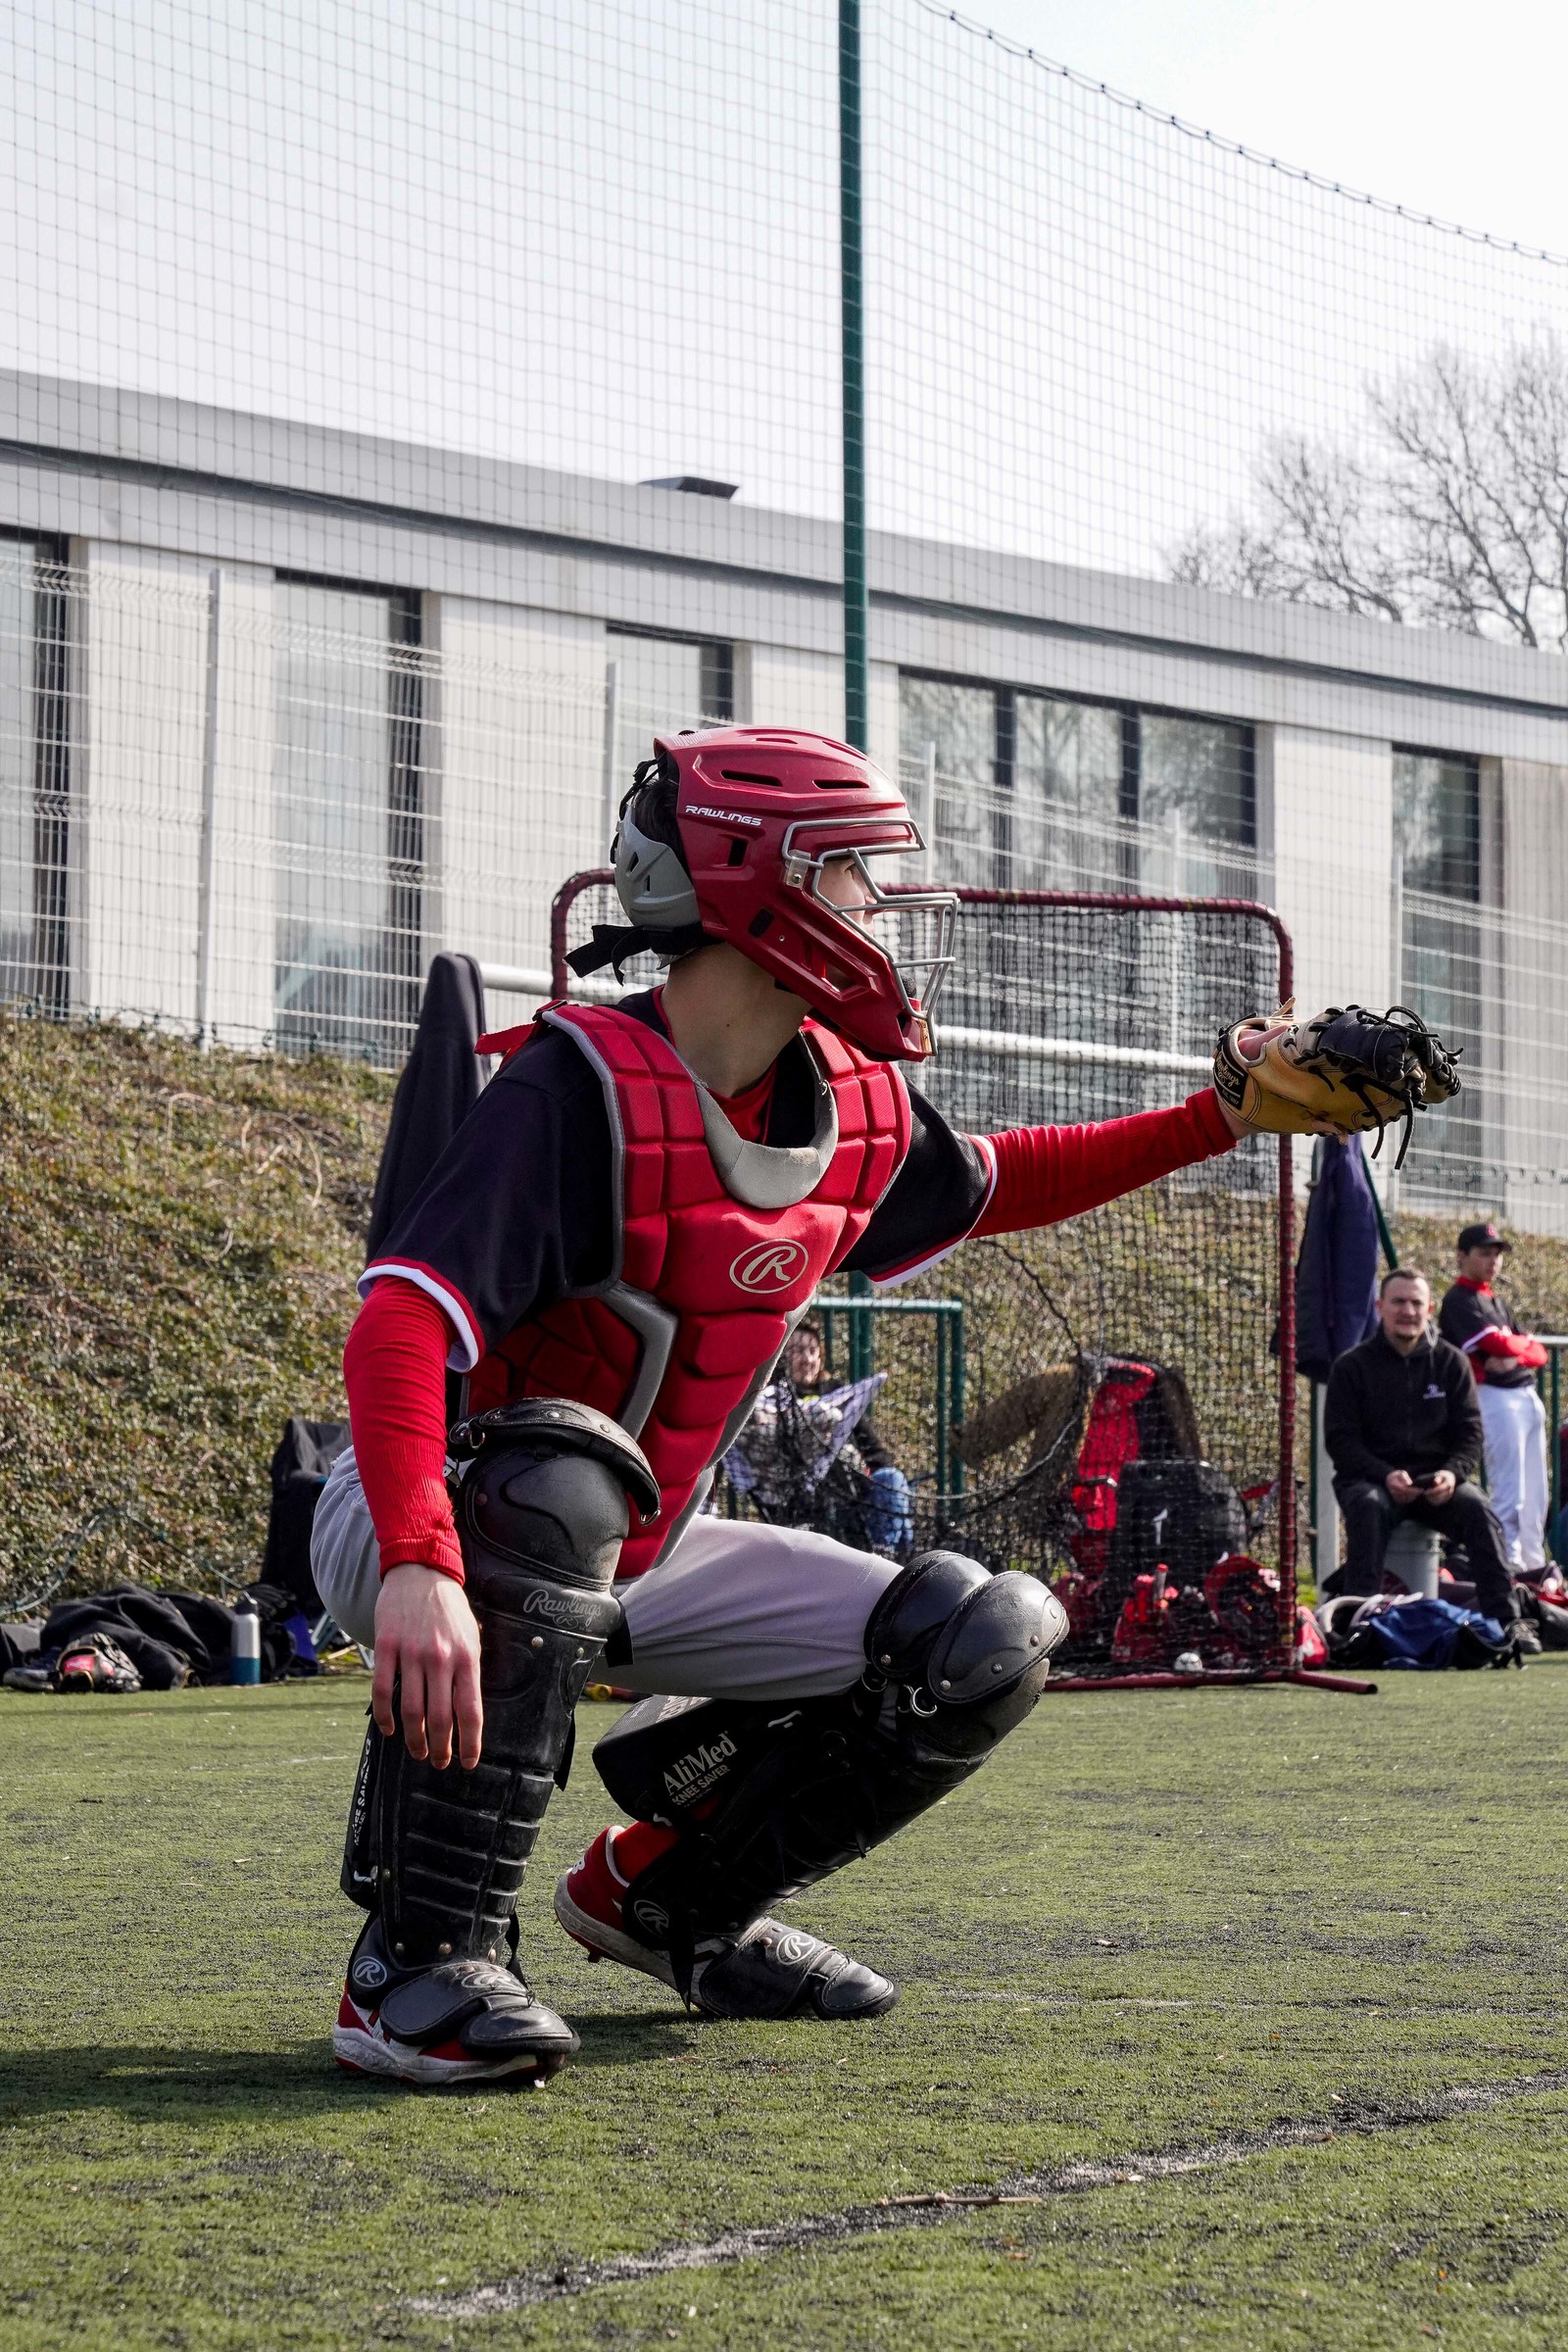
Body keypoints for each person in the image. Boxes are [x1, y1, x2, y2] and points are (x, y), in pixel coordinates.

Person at [312, 724, 1269, 2089]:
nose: (883, 910)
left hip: (626, 1553)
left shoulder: (854, 1105)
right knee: (560, 1482)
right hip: (427, 1527)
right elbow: (403, 1324)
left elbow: (1008, 1180)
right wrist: (414, 1561)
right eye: (860, 876)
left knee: (981, 1636)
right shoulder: (568, 1089)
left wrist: (1221, 1115)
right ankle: (412, 1967)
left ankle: (667, 1906)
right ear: (768, 886)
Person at [1323, 1266, 1519, 1629]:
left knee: (1478, 1508)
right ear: (1380, 1306)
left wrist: (1451, 1473)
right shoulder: (1351, 1367)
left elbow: (1471, 1436)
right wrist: (1384, 1475)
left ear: (1430, 1310)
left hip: (1437, 1484)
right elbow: (1340, 1441)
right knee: (1367, 1507)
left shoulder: (1452, 1363)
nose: (1408, 1311)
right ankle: (1361, 1626)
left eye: (1416, 1303)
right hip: (1372, 1480)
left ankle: (1507, 1624)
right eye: (1398, 1302)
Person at [1439, 1222, 1549, 1577]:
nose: (1493, 1261)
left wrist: (1518, 1351)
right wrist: (1520, 1348)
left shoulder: (1493, 1300)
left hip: (1524, 1394)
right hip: (1494, 1398)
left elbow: (1538, 1354)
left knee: (1536, 1492)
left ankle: (1532, 1562)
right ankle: (1507, 1564)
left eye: (1497, 1254)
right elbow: (1498, 1346)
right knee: (1509, 1490)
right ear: (1462, 1256)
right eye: (1484, 1253)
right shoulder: (1459, 1300)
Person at [780, 1318, 914, 1555]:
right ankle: (895, 1563)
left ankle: (886, 1556)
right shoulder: (776, 1398)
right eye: (797, 1351)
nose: (807, 1360)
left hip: (855, 1489)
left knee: (892, 1480)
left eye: (813, 1351)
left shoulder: (838, 1392)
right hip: (813, 1496)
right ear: (782, 1357)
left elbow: (874, 1449)